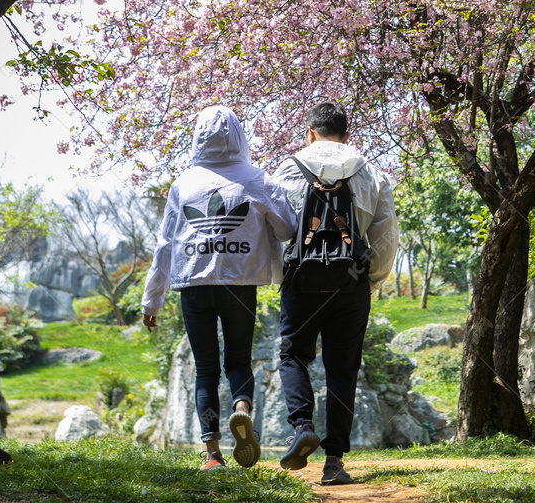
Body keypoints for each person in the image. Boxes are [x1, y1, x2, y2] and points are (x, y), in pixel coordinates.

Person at [141, 106, 296, 470]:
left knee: (205, 369)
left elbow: (166, 245)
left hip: (193, 285)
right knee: (239, 361)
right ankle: (241, 409)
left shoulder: (183, 184)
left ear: (196, 137)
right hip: (240, 285)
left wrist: (152, 300)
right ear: (240, 136)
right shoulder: (258, 178)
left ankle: (212, 455)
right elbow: (288, 228)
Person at [272, 101, 399, 484]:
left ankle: (301, 427)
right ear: (347, 135)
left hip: (302, 284)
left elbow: (275, 229)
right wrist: (370, 279)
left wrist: (284, 275)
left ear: (309, 132)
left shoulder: (285, 169)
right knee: (342, 369)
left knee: (293, 355)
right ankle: (334, 463)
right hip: (350, 284)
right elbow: (385, 235)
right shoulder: (369, 171)